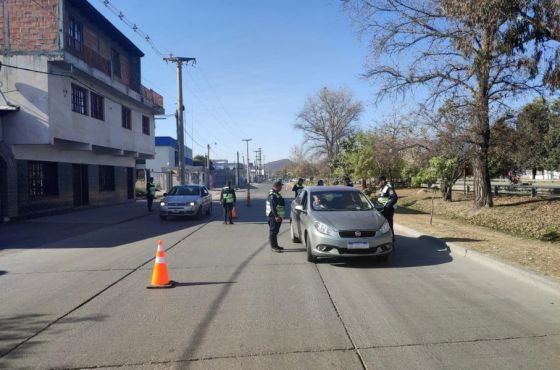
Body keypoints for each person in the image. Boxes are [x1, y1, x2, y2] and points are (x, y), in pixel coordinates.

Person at [376, 176, 398, 240]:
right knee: (383, 225)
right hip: (382, 209)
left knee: (389, 223)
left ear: (383, 181)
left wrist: (388, 205)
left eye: (378, 182)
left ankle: (391, 239)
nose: (378, 184)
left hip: (388, 209)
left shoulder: (389, 187)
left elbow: (394, 197)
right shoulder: (383, 188)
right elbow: (382, 198)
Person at [266, 180, 285, 252]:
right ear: (277, 186)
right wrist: (276, 216)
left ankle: (276, 245)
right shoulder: (272, 195)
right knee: (273, 232)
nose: (281, 187)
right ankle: (273, 246)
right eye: (280, 186)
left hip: (277, 216)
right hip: (273, 216)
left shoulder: (276, 193)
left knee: (276, 231)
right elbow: (273, 207)